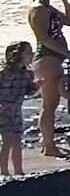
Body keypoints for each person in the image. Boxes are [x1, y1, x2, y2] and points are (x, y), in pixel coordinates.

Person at [26, 0, 70, 158]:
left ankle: (47, 141)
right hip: (47, 58)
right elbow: (43, 39)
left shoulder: (48, 7)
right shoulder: (38, 9)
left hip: (55, 57)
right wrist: (68, 54)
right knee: (50, 104)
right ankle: (48, 146)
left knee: (51, 104)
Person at [0, 42, 37, 176]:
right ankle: (4, 171)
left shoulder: (28, 74)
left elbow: (28, 91)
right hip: (3, 110)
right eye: (28, 53)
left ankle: (19, 171)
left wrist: (36, 87)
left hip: (16, 110)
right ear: (16, 56)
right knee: (7, 140)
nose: (31, 55)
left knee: (17, 141)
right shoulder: (3, 73)